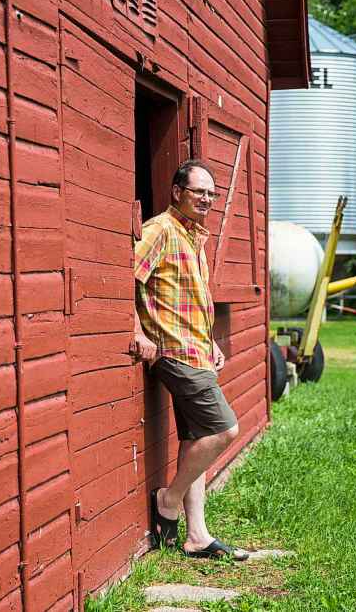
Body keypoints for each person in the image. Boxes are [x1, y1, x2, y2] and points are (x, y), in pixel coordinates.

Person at [133, 159, 249, 561]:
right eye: (199, 191)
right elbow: (127, 277)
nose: (207, 199)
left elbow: (192, 300)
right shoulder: (159, 230)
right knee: (225, 430)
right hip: (175, 352)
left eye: (212, 194)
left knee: (195, 438)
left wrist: (212, 339)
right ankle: (169, 499)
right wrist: (136, 331)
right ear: (177, 192)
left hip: (198, 350)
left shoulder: (195, 237)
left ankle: (197, 534)